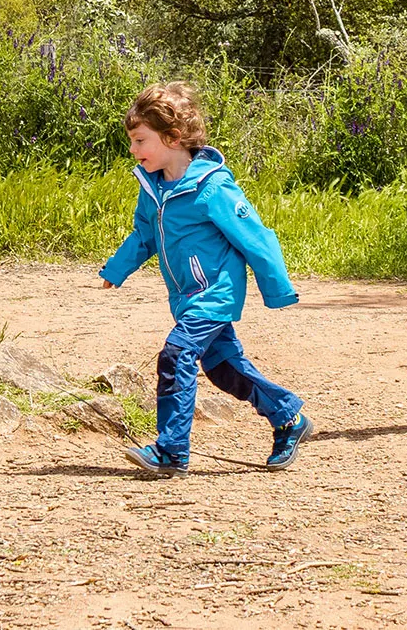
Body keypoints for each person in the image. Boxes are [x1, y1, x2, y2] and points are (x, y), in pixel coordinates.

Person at [99, 82, 312, 476]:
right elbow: (144, 234)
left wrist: (277, 288)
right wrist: (117, 268)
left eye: (140, 140)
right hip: (186, 298)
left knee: (177, 354)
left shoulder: (213, 186)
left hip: (214, 294)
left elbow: (256, 237)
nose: (133, 150)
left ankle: (171, 451)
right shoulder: (153, 188)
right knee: (224, 369)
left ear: (173, 137)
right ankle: (289, 418)